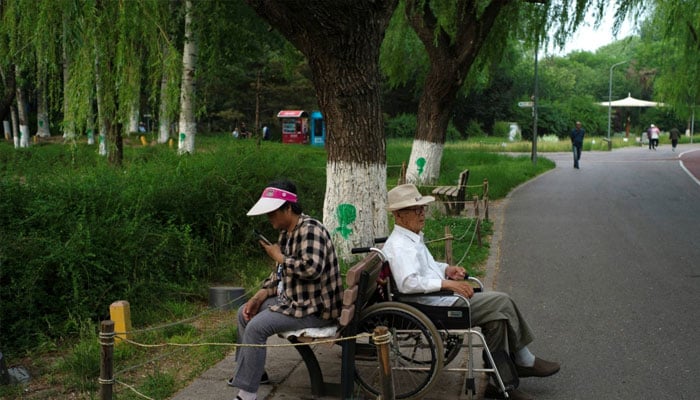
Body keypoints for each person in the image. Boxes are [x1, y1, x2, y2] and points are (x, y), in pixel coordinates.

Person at [382, 184, 560, 400]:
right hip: (432, 307)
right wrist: (447, 284)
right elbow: (408, 283)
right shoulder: (400, 245)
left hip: (439, 300)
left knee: (497, 320)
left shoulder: (412, 238)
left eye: (422, 208)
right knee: (502, 302)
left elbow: (426, 267)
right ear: (399, 215)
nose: (422, 213)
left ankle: (500, 382)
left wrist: (446, 270)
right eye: (415, 209)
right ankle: (524, 360)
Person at [228, 180, 344, 400]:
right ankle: (254, 374)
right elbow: (280, 274)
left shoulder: (310, 230)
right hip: (293, 302)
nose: (269, 217)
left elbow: (312, 269)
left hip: (314, 310)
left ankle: (246, 394)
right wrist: (259, 295)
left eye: (273, 212)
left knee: (256, 328)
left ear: (288, 208)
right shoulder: (287, 232)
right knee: (244, 312)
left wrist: (279, 256)